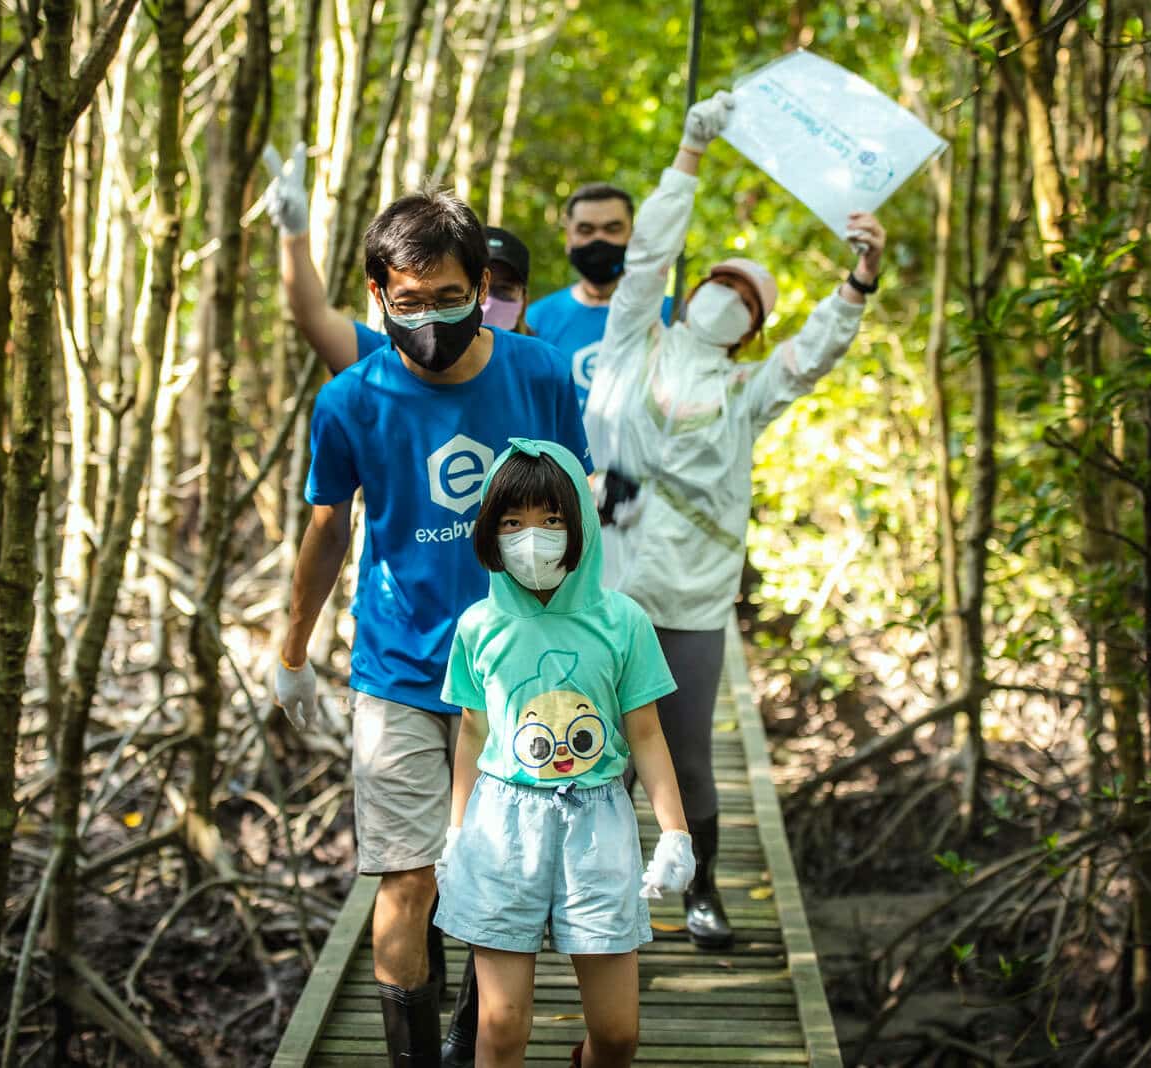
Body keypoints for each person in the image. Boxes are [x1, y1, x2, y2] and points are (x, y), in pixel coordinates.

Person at [271, 189, 591, 1067]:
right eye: (408, 302)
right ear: (378, 296)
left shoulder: (539, 374)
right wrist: (292, 652)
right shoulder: (350, 400)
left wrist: (591, 649)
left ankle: (466, 1031)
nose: (429, 319)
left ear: (482, 286)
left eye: (450, 298)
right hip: (401, 672)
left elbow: (577, 509)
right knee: (407, 879)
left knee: (502, 874)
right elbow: (328, 528)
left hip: (520, 672)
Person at [583, 91, 886, 951]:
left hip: (689, 596)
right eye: (720, 283)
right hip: (602, 582)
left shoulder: (747, 392)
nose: (728, 298)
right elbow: (649, 255)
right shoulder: (633, 339)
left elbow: (813, 354)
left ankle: (702, 892)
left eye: (746, 300)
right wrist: (689, 154)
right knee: (592, 751)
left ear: (753, 330)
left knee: (686, 755)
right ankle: (592, 892)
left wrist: (859, 280)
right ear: (693, 293)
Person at [435, 438, 695, 1068]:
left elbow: (646, 734)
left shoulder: (623, 621)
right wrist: (456, 832)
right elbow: (472, 732)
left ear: (580, 522)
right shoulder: (477, 627)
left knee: (618, 1034)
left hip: (597, 824)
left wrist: (675, 834)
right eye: (512, 522)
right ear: (491, 532)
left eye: (552, 519)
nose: (532, 538)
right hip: (502, 826)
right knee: (501, 1026)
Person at [266, 142, 537, 370]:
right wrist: (295, 236)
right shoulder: (390, 363)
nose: (490, 303)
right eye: (413, 301)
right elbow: (314, 316)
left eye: (504, 290)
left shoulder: (540, 371)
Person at [525, 183, 671, 412]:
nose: (599, 239)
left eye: (612, 229)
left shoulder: (671, 315)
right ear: (569, 239)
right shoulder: (536, 320)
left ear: (633, 237)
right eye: (586, 230)